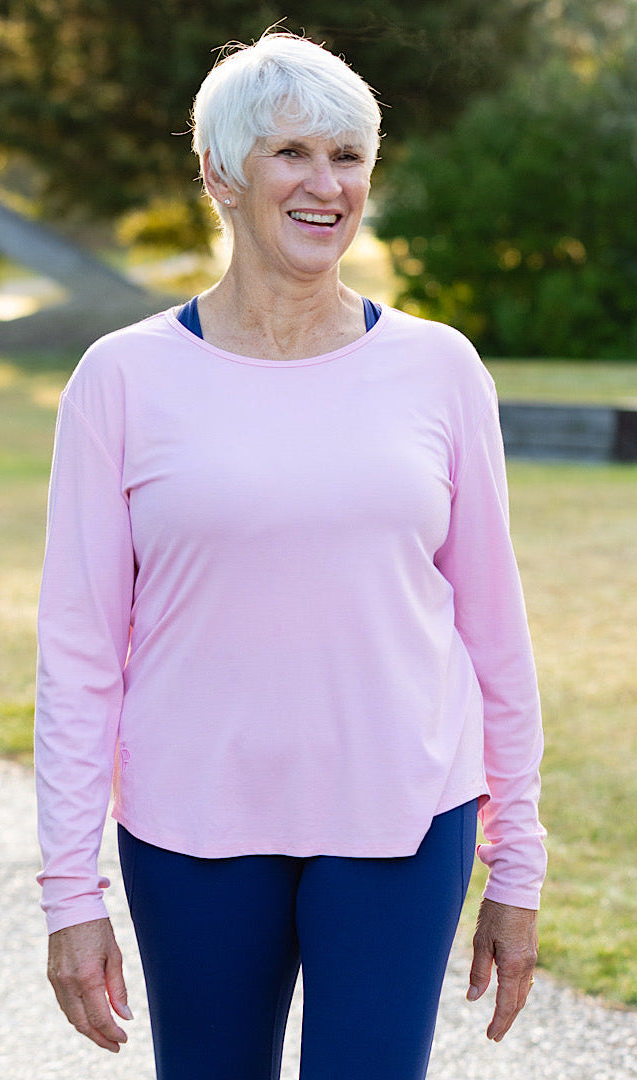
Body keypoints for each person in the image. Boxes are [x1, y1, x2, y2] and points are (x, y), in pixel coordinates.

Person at [35, 30, 547, 1080]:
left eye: (348, 157)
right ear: (220, 175)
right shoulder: (120, 380)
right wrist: (69, 896)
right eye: (292, 155)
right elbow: (80, 658)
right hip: (193, 827)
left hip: (404, 817)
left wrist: (519, 863)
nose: (327, 186)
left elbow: (494, 629)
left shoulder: (441, 369)